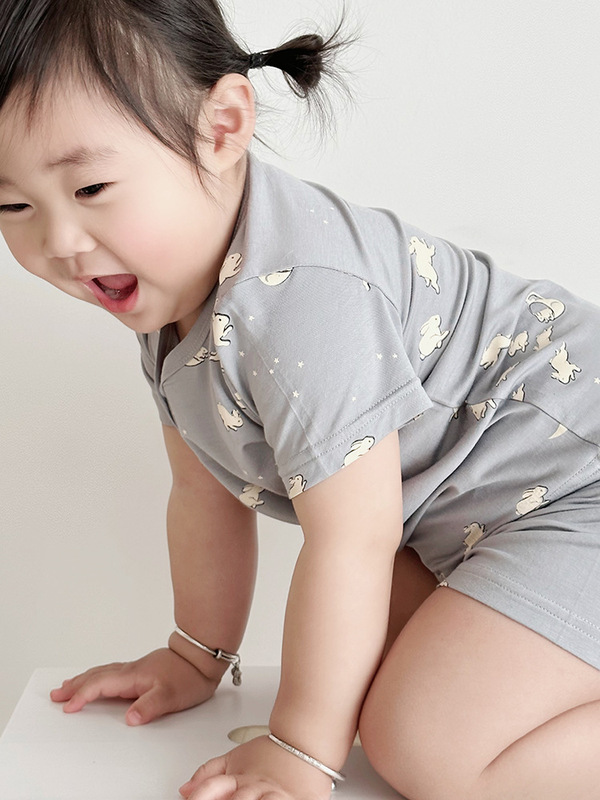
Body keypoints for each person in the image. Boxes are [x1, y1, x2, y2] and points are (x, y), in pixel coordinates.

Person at [1, 1, 600, 798]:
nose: (59, 241)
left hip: (578, 483)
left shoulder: (299, 297)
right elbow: (204, 492)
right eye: (12, 205)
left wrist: (301, 749)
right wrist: (195, 656)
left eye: (92, 187)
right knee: (375, 672)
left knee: (422, 742)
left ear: (221, 129)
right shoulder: (173, 292)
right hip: (485, 517)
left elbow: (354, 537)